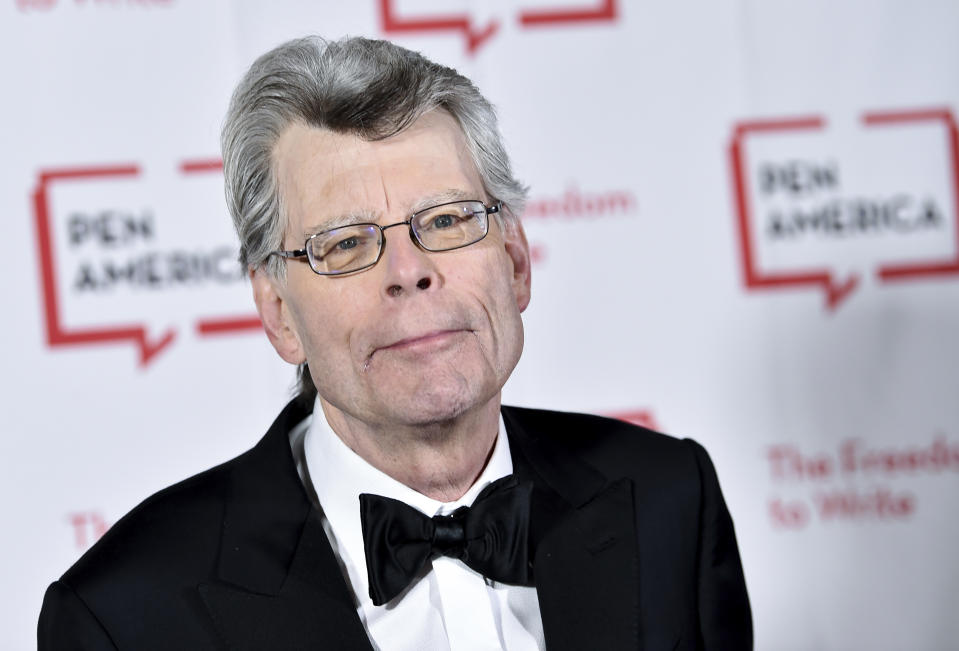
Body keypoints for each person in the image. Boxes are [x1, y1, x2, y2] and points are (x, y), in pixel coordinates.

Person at [38, 35, 752, 650]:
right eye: (345, 243)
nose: (409, 272)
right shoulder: (123, 615)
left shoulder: (668, 499)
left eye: (445, 221)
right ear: (279, 312)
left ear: (515, 261)